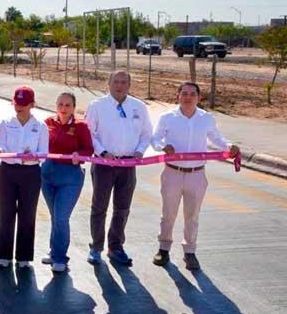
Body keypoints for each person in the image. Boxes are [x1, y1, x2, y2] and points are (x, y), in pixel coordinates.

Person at [151, 82, 239, 271]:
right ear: (178, 96)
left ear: (199, 97)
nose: (188, 97)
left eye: (192, 94)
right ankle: (163, 248)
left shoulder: (206, 118)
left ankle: (190, 252)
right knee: (168, 213)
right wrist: (163, 147)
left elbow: (216, 138)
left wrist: (229, 147)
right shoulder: (167, 117)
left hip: (197, 174)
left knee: (192, 215)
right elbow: (155, 138)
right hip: (172, 173)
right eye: (184, 93)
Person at [84, 71, 153, 266]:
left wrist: (140, 151)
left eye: (124, 82)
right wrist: (103, 152)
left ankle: (115, 247)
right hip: (104, 164)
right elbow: (89, 134)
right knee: (99, 207)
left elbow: (147, 133)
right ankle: (96, 247)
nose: (119, 86)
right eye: (116, 82)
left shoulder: (139, 107)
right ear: (109, 83)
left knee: (122, 208)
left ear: (129, 85)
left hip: (128, 165)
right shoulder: (97, 106)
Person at [0, 86, 49, 268]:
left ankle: (24, 256)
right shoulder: (5, 123)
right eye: (17, 103)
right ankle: (4, 254)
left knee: (27, 214)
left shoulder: (40, 126)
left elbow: (44, 154)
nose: (19, 107)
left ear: (32, 105)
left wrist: (32, 157)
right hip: (7, 172)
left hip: (30, 173)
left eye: (23, 104)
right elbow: (1, 145)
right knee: (6, 213)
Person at [40, 92, 94, 273]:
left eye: (68, 105)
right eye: (60, 104)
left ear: (74, 108)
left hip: (70, 177)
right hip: (48, 174)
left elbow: (89, 149)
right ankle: (54, 250)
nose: (63, 108)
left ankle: (60, 257)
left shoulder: (81, 126)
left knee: (61, 217)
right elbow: (39, 144)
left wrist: (80, 155)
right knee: (55, 216)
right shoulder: (47, 123)